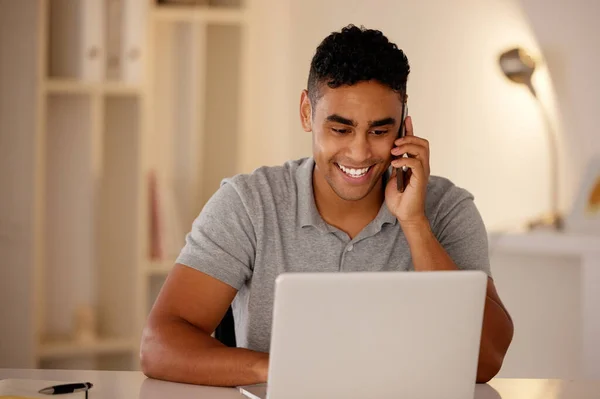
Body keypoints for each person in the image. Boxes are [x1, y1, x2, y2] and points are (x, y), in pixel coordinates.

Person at [140, 24, 514, 387]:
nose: (360, 151)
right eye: (340, 129)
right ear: (307, 113)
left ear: (403, 127)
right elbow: (159, 346)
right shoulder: (249, 204)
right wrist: (282, 367)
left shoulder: (448, 209)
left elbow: (486, 360)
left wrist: (415, 224)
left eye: (380, 131)